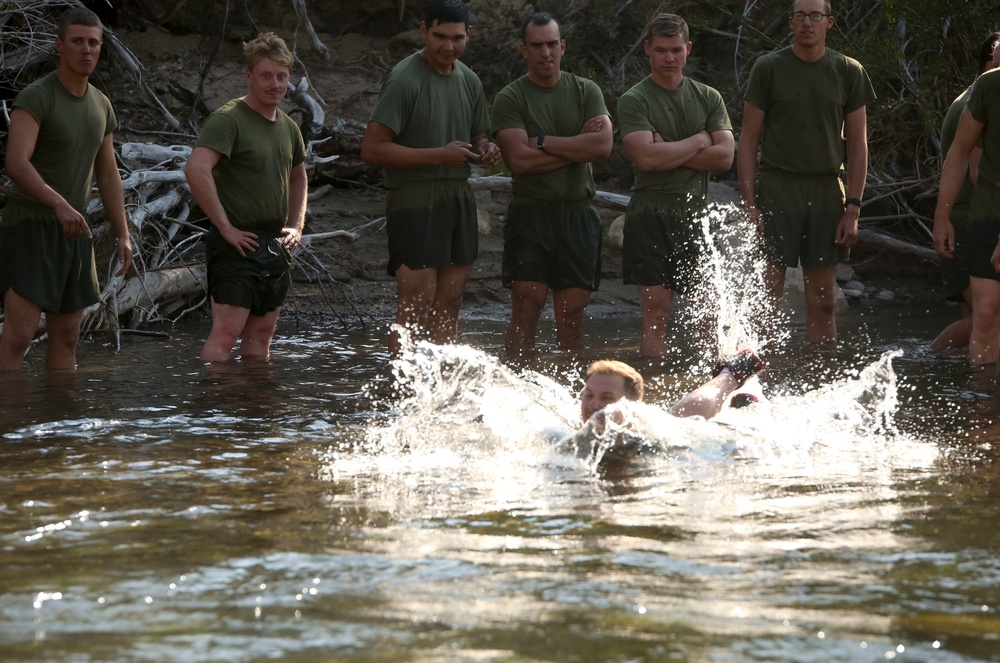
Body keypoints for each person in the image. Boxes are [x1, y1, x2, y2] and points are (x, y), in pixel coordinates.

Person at [360, 0, 501, 354]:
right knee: (415, 304)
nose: (448, 46)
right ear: (423, 32)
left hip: (458, 197)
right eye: (439, 36)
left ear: (469, 35)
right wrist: (439, 154)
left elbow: (479, 135)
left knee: (450, 301)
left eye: (456, 38)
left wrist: (487, 149)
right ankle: (401, 390)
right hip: (413, 197)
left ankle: (439, 391)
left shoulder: (468, 79)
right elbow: (373, 149)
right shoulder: (404, 78)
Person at [0, 8, 132, 371]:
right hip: (31, 224)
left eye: (93, 42)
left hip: (76, 231)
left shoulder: (101, 104)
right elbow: (16, 163)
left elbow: (107, 175)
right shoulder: (37, 96)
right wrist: (58, 204)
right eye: (77, 42)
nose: (86, 50)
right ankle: (10, 419)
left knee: (68, 337)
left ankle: (62, 422)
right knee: (20, 334)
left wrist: (123, 234)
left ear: (101, 47)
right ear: (60, 45)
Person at [738, 0, 875, 346]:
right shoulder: (768, 68)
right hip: (777, 188)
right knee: (764, 299)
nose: (807, 23)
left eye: (815, 16)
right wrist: (749, 203)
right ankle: (752, 382)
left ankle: (820, 379)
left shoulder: (849, 70)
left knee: (825, 301)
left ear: (829, 22)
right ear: (790, 22)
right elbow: (748, 141)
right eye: (800, 16)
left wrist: (854, 208)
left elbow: (858, 145)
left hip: (827, 191)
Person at [491, 12, 613, 355]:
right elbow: (518, 161)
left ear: (563, 46)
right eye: (537, 45)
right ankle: (516, 389)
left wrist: (542, 141)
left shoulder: (586, 90)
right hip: (531, 213)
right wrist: (577, 145)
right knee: (526, 308)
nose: (546, 52)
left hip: (578, 214)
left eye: (551, 44)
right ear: (523, 49)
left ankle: (573, 395)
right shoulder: (511, 97)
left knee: (572, 315)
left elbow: (602, 146)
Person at [617, 13, 735, 358]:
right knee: (657, 312)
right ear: (648, 51)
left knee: (709, 313)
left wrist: (669, 146)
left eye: (676, 50)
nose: (669, 58)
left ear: (688, 50)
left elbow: (724, 157)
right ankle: (651, 388)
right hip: (650, 212)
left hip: (695, 212)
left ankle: (706, 383)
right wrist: (700, 139)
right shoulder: (634, 100)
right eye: (662, 50)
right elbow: (648, 160)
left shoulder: (708, 97)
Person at [184, 32, 308, 363]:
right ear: (249, 75)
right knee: (225, 334)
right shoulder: (228, 119)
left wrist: (296, 227)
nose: (275, 84)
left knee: (262, 336)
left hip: (275, 243)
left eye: (282, 77)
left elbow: (299, 178)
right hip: (237, 242)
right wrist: (224, 227)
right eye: (266, 76)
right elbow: (196, 169)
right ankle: (216, 411)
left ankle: (254, 410)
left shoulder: (289, 127)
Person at [931, 32, 1000, 352]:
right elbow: (972, 166)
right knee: (986, 317)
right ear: (991, 63)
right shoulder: (979, 100)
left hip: (969, 215)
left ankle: (954, 372)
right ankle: (932, 357)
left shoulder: (975, 95)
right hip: (969, 218)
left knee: (980, 317)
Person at [579, 350, 764, 425]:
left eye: (607, 398)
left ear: (633, 406)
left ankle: (730, 375)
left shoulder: (649, 435)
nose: (593, 405)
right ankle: (734, 410)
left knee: (683, 422)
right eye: (588, 395)